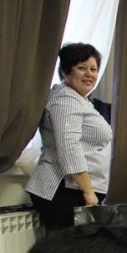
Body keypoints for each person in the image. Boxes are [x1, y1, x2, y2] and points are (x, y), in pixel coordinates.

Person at [26, 43, 111, 231]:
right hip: (65, 190)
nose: (89, 74)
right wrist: (88, 192)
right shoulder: (65, 100)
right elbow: (69, 146)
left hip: (75, 190)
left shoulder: (80, 100)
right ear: (65, 71)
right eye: (81, 68)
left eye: (93, 69)